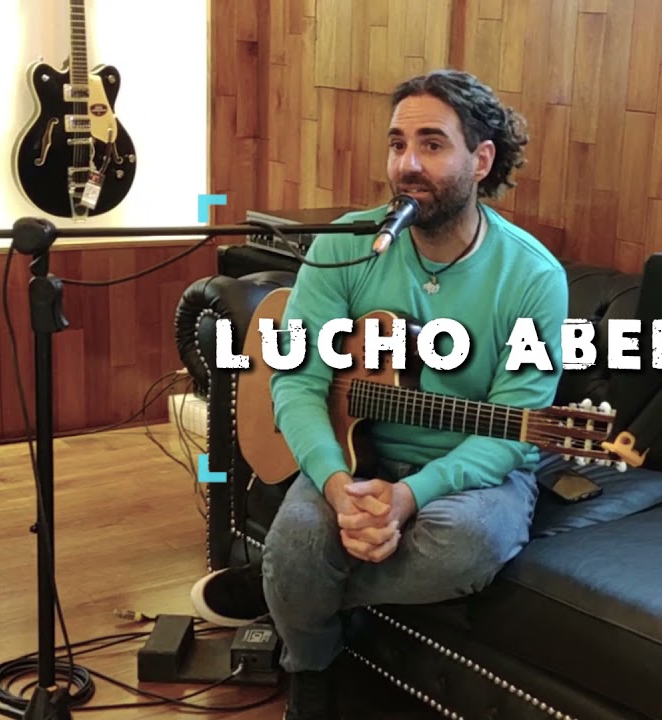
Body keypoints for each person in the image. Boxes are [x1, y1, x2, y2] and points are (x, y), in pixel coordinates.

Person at [188, 69, 568, 720]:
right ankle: (311, 667)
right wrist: (337, 485)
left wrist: (409, 496)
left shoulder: (533, 277)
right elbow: (297, 378)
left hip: (472, 472)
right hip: (356, 456)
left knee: (464, 544)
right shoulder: (348, 245)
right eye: (397, 144)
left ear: (481, 161)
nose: (407, 164)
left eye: (432, 144)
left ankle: (281, 587)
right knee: (300, 535)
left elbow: (510, 429)